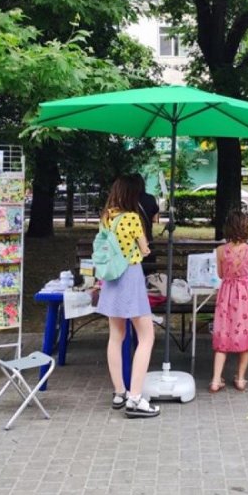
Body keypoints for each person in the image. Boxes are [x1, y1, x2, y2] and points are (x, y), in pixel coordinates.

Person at [96, 175, 160, 418]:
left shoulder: (106, 217)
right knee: (146, 336)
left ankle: (119, 392)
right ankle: (135, 398)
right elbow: (144, 248)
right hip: (130, 277)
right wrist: (144, 248)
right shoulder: (132, 218)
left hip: (111, 279)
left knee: (116, 336)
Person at [209, 210, 248, 392]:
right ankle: (240, 378)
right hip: (246, 295)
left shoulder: (221, 250)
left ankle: (216, 380)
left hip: (227, 294)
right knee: (245, 334)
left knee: (223, 333)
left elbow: (220, 274)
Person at [129, 173, 159, 272]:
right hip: (147, 240)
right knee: (148, 273)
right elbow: (155, 219)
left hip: (130, 242)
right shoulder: (150, 198)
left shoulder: (127, 200)